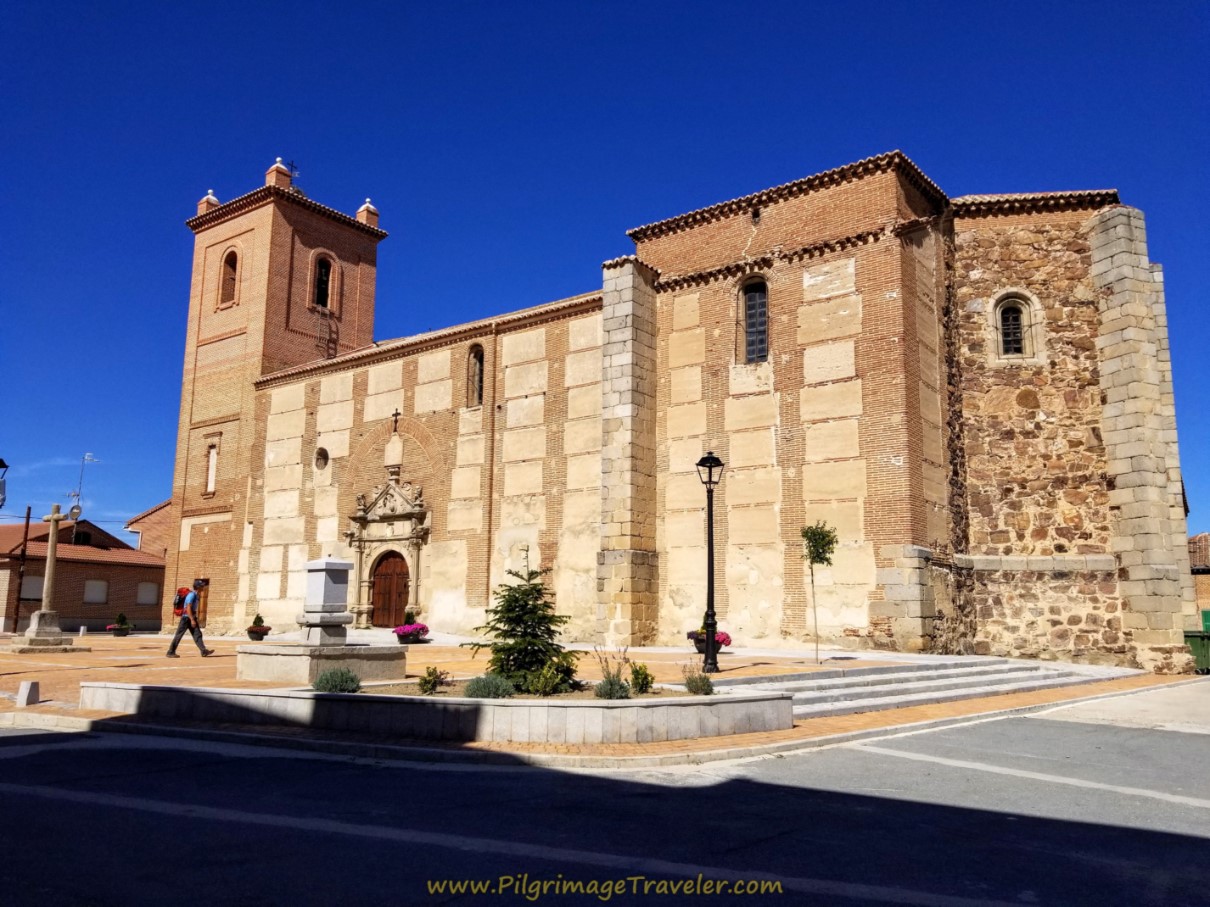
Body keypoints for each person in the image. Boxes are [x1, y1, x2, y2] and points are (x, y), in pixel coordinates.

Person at [166, 580, 214, 658]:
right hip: (186, 618)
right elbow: (188, 607)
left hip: (191, 617)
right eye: (201, 586)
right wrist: (192, 619)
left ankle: (203, 651)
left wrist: (193, 618)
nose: (203, 587)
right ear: (198, 587)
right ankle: (170, 652)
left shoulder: (196, 595)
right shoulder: (191, 595)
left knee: (197, 634)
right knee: (179, 635)